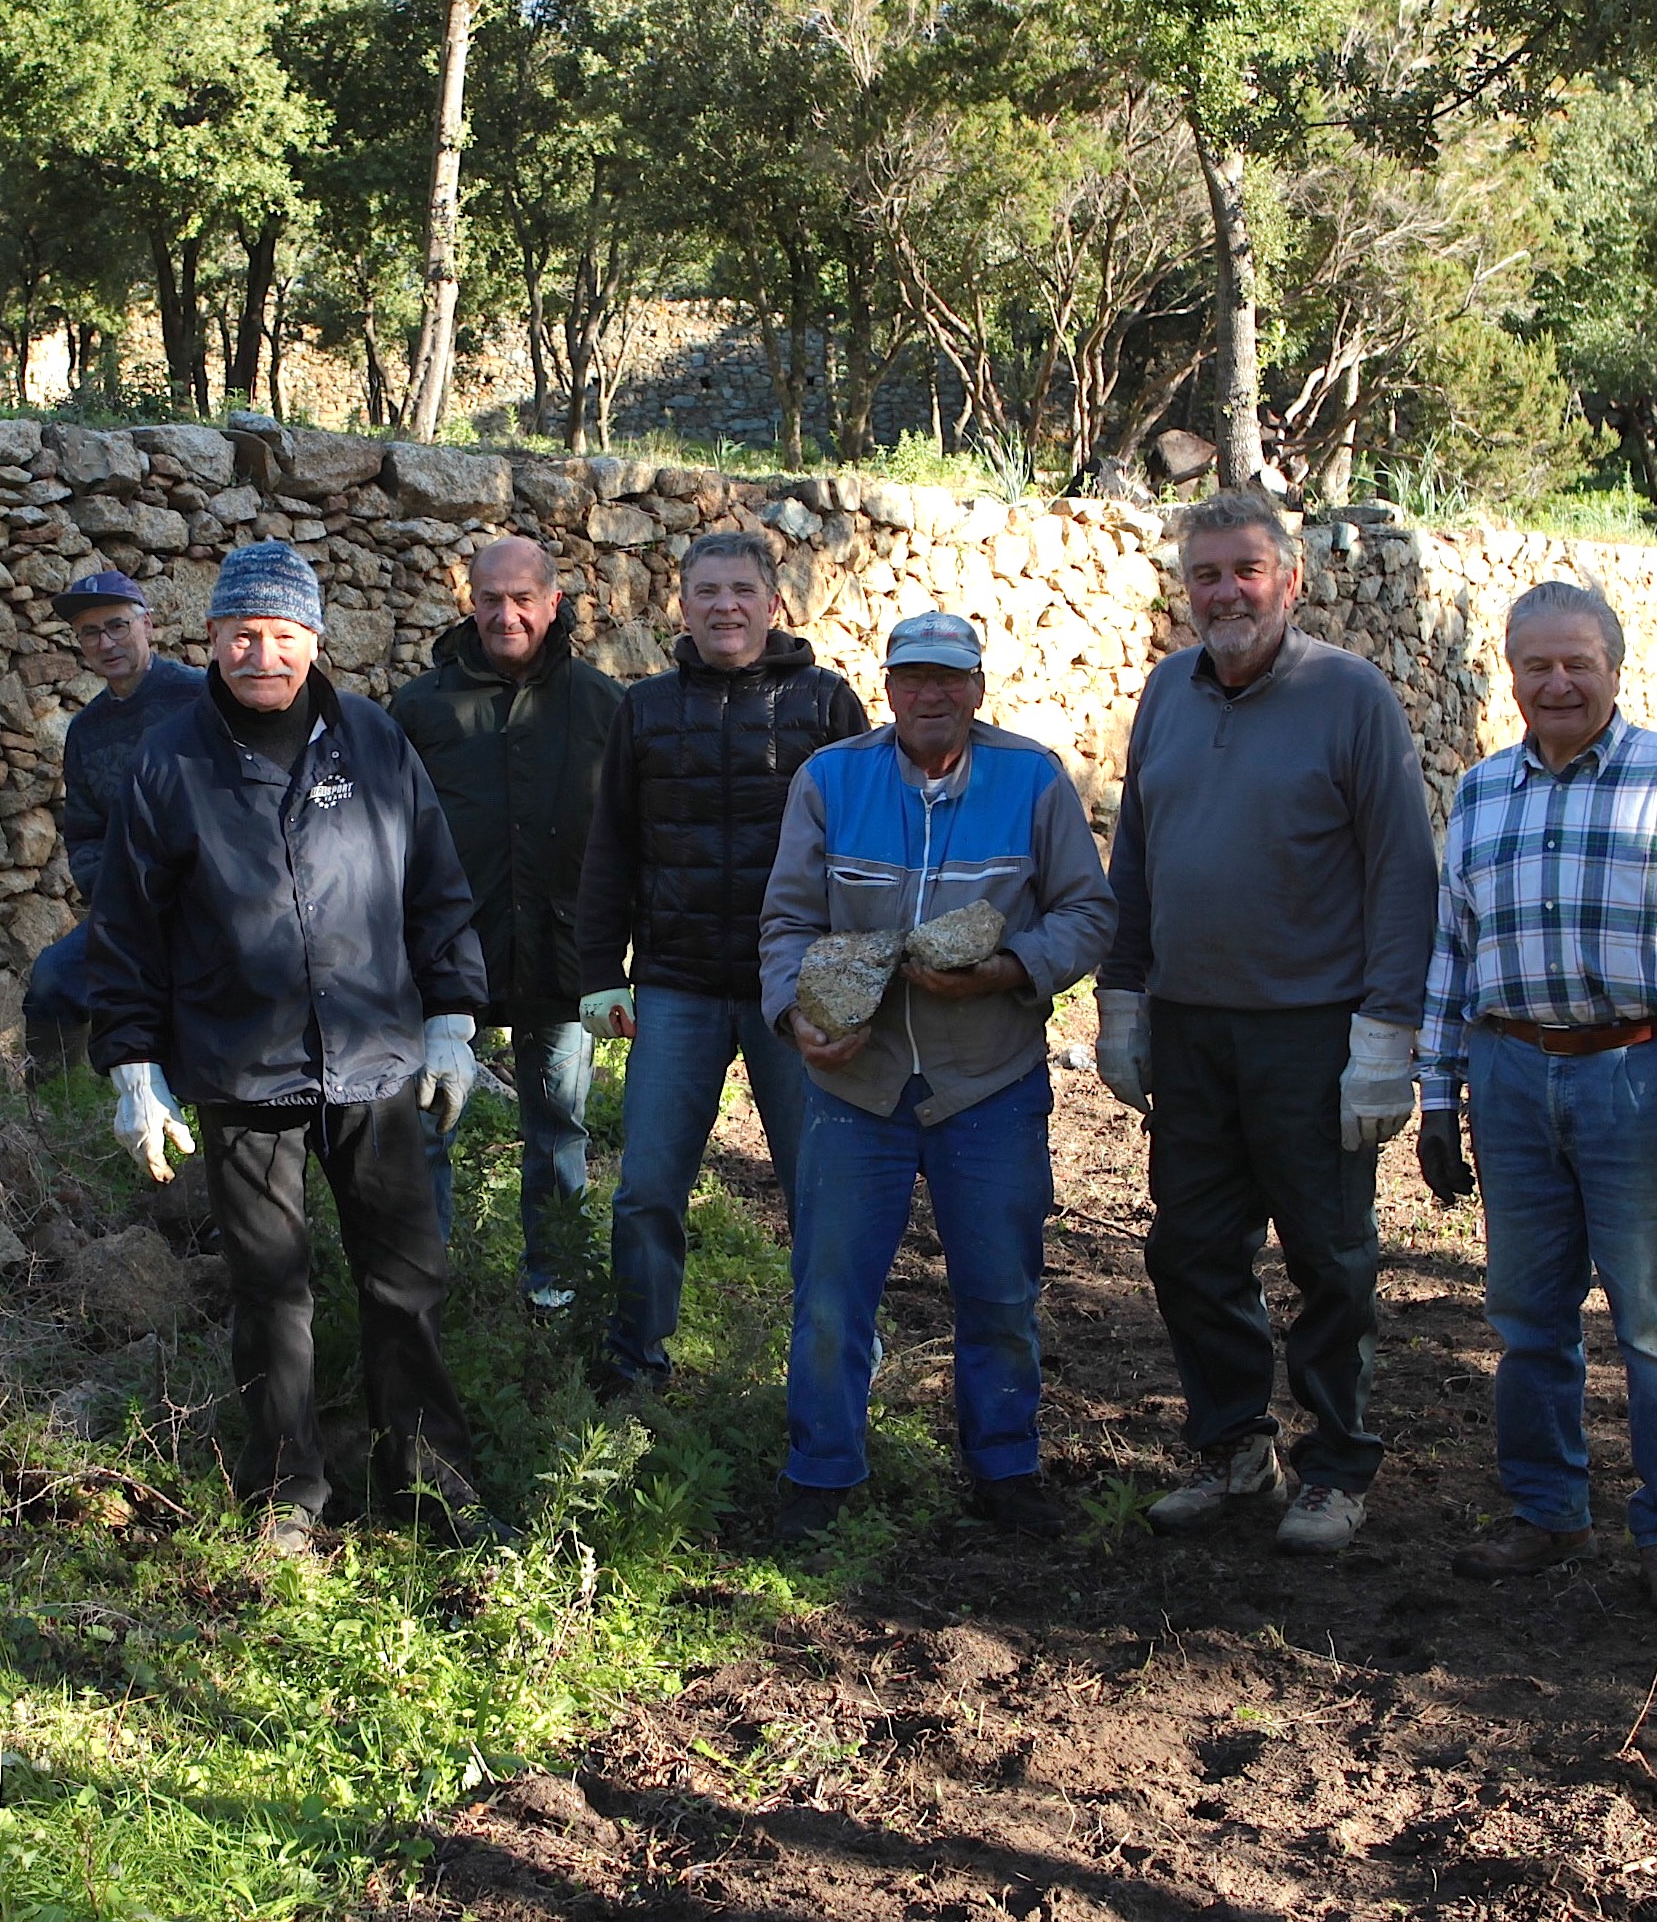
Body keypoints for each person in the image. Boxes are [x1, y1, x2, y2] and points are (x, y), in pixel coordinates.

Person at [84, 539, 499, 1556]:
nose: (260, 654)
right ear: (210, 637)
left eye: (280, 634)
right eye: (241, 634)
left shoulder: (372, 739)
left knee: (406, 1277)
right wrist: (133, 1065)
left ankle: (430, 1479)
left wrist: (452, 1014)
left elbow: (435, 882)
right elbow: (126, 926)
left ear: (314, 639)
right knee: (269, 1287)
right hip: (243, 1065)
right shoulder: (169, 760)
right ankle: (286, 1490)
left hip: (375, 1056)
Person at [1092, 488, 1437, 1557]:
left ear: (1290, 579)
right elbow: (1136, 853)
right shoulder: (1168, 690)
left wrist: (1385, 1036)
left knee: (1329, 1258)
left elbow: (1401, 871)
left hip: (1312, 1032)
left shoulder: (1350, 696)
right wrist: (1122, 995)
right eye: (1205, 574)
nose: (1226, 592)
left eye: (1246, 570)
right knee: (1189, 1249)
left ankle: (1338, 1465)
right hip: (1192, 1029)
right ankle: (1235, 1445)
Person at [1414, 581, 1657, 1618]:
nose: (1558, 682)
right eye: (1537, 665)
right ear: (1510, 675)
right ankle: (1546, 1508)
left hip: (1637, 1073)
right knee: (1527, 1313)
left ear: (1615, 667)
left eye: (1578, 662)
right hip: (1511, 1075)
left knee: (1656, 1322)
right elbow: (1452, 949)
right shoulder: (1482, 791)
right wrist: (1438, 1093)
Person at [757, 612, 1115, 1542]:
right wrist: (794, 1013)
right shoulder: (829, 779)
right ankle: (820, 1473)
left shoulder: (1032, 778)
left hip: (987, 1079)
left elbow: (1086, 912)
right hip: (857, 1084)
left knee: (999, 1287)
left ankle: (1005, 1467)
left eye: (948, 679)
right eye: (912, 678)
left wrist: (1010, 967)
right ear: (886, 688)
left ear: (977, 689)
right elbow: (787, 920)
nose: (930, 695)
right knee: (830, 1290)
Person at [572, 531, 869, 1394]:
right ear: (683, 606)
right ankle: (635, 1356)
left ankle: (836, 1361)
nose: (724, 606)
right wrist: (599, 971)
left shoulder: (826, 704)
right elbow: (610, 848)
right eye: (706, 591)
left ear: (774, 603)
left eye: (741, 590)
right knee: (646, 1185)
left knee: (819, 1188)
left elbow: (866, 852)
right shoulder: (645, 708)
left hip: (798, 991)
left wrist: (853, 983)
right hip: (678, 986)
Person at [387, 536, 625, 1306]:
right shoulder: (420, 708)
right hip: (444, 958)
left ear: (554, 602)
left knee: (558, 1127)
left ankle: (557, 1287)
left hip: (559, 954)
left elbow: (631, 833)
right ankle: (421, 1288)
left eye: (522, 598)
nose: (505, 614)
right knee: (428, 1124)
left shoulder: (601, 704)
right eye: (489, 598)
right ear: (470, 601)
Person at [23, 570, 205, 1070]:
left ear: (148, 624)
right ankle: (63, 1102)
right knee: (53, 977)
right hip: (131, 908)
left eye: (117, 626)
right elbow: (84, 833)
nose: (105, 643)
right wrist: (121, 897)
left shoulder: (201, 700)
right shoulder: (86, 730)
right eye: (90, 633)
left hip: (213, 902)